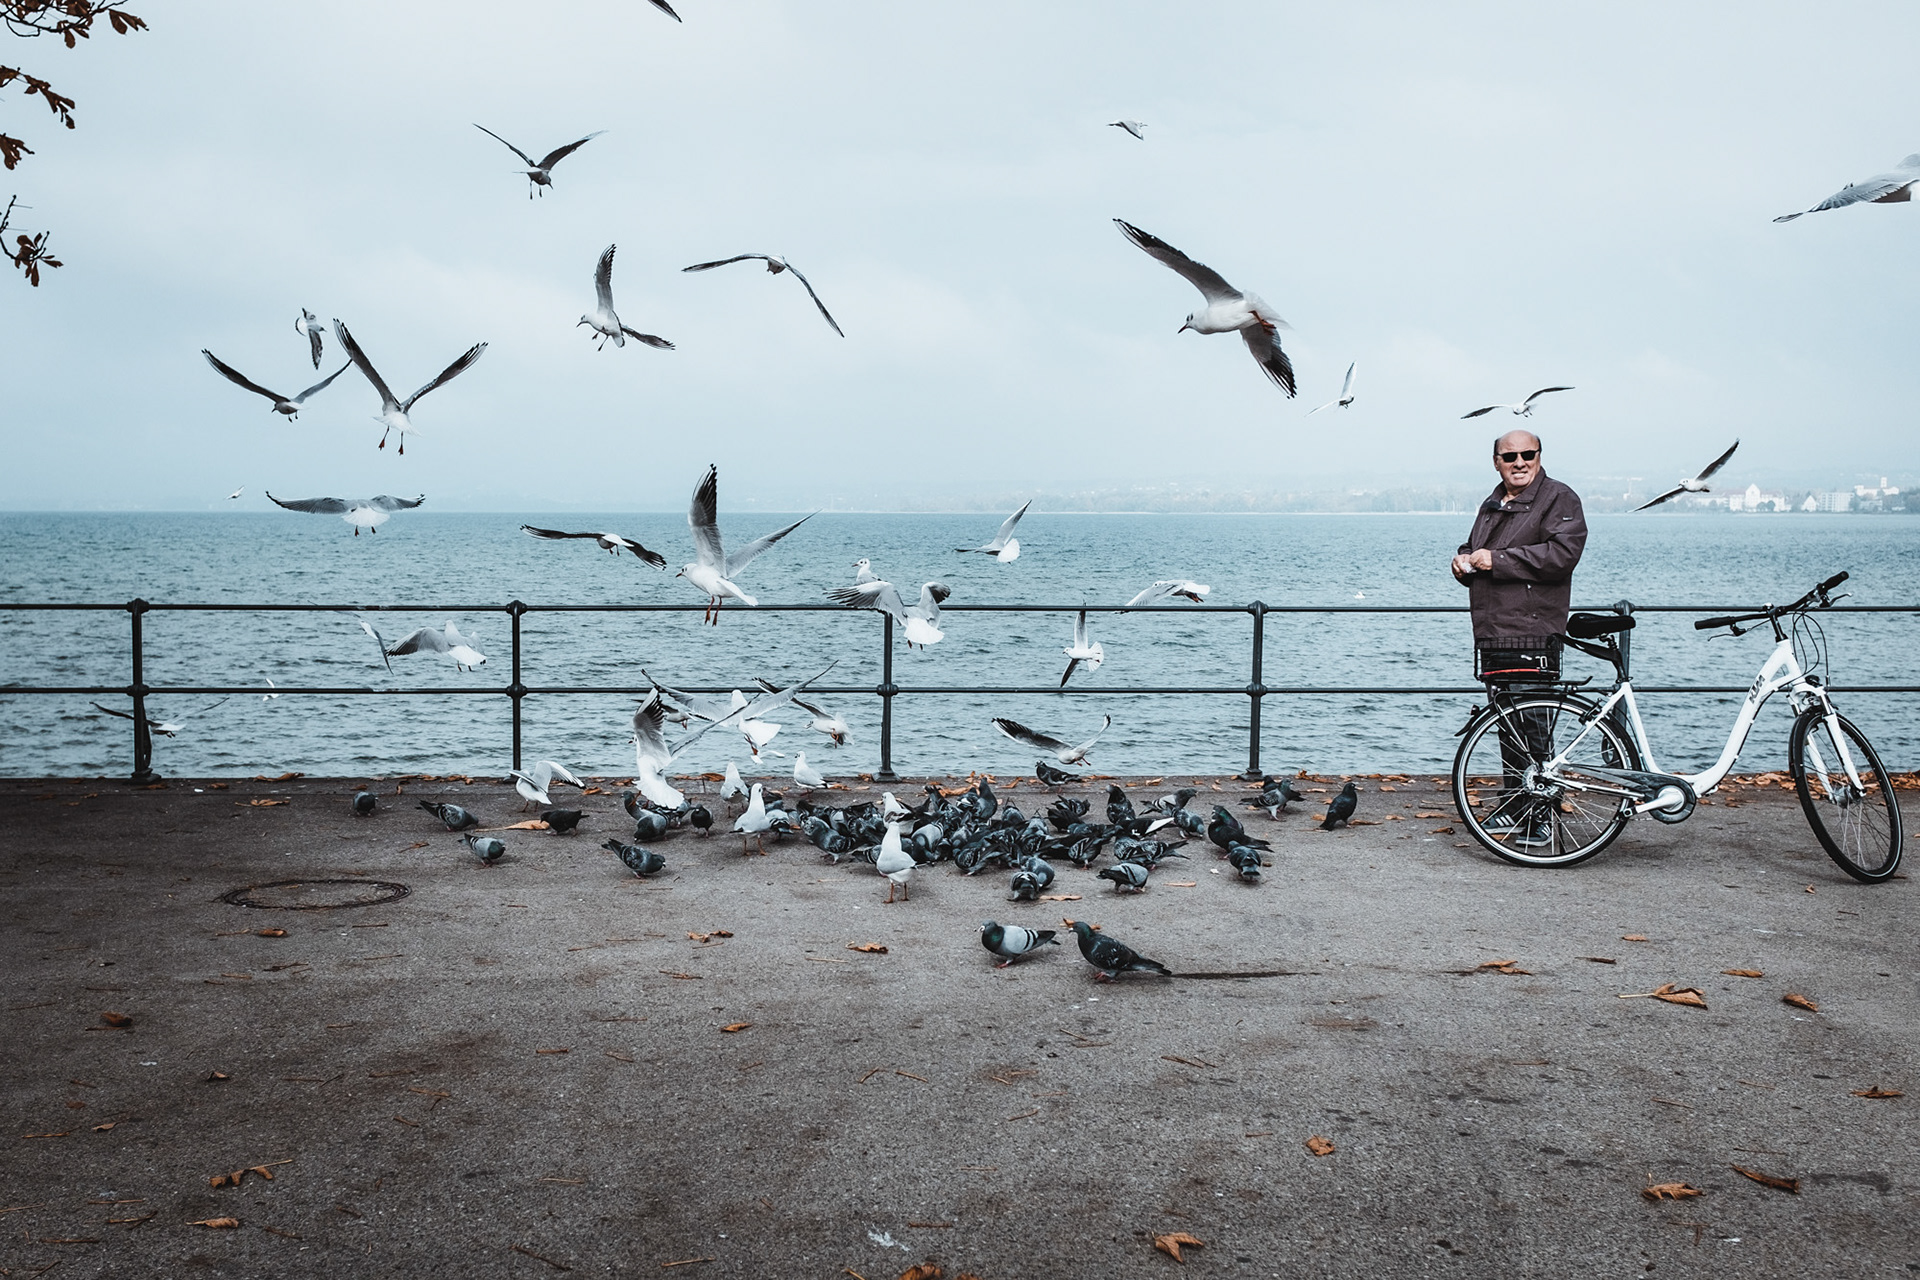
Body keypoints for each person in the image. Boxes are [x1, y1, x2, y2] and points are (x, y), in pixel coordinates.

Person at [1451, 429, 1588, 844]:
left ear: (1540, 455)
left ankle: (1541, 816)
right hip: (1493, 633)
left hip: (1532, 631)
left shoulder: (1559, 498)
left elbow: (1563, 556)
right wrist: (1462, 560)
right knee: (1506, 725)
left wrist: (1498, 560)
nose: (1520, 462)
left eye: (1528, 454)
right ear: (1496, 461)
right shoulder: (1492, 502)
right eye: (1509, 457)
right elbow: (1479, 547)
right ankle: (1515, 806)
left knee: (1532, 726)